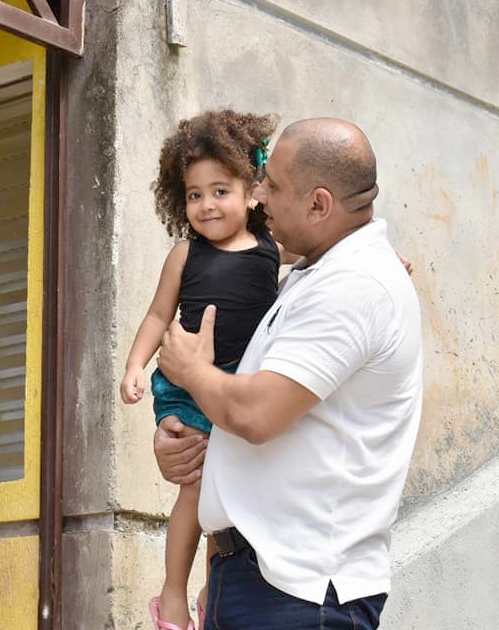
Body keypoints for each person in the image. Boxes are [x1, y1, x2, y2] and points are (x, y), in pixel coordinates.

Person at [155, 117, 423, 630]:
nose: (259, 195)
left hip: (299, 593)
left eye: (272, 186)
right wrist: (183, 438)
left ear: (319, 205)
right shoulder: (313, 274)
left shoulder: (354, 285)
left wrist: (190, 371)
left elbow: (255, 413)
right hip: (258, 579)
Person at [121, 110, 282, 630]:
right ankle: (171, 594)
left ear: (252, 193)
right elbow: (157, 315)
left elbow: (330, 256)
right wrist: (135, 365)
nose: (207, 205)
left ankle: (214, 589)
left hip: (238, 384)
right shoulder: (184, 255)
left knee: (226, 492)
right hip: (187, 387)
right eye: (195, 195)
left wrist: (384, 257)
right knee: (195, 487)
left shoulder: (272, 251)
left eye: (220, 191)